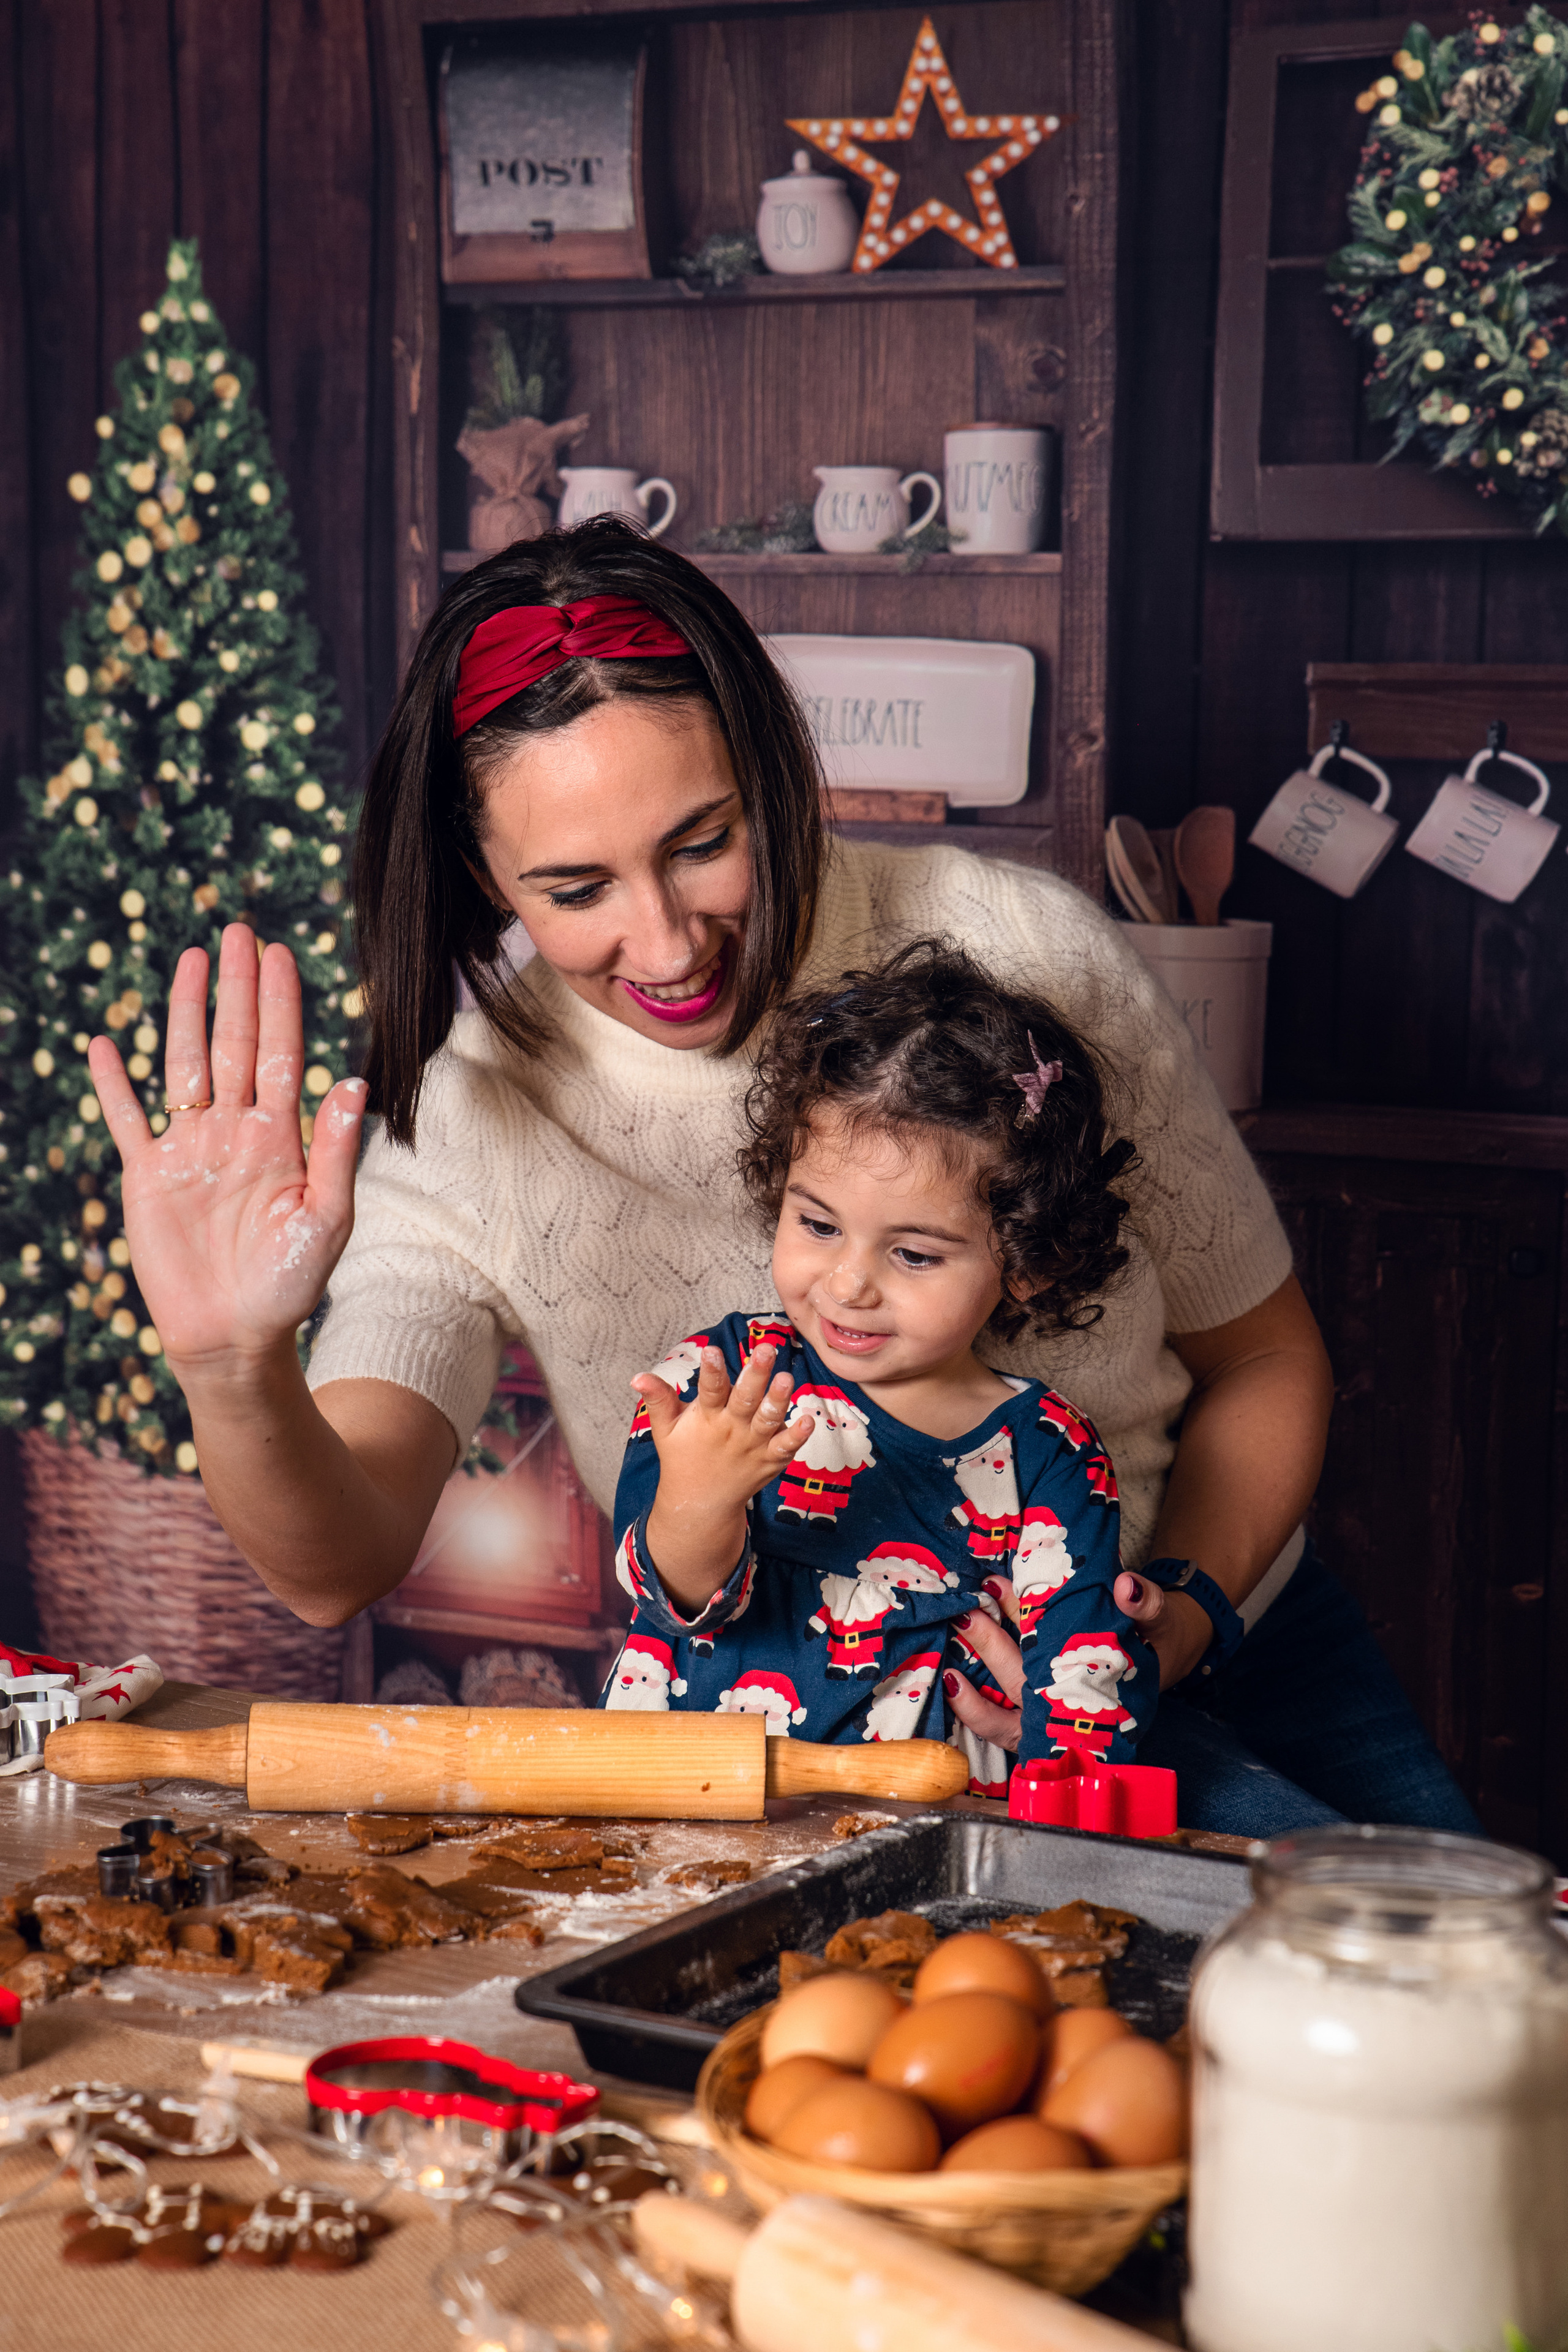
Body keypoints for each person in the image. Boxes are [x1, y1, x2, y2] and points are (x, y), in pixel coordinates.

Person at [87, 519, 1479, 1838]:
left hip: (1221, 1625)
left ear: (769, 765)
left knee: (1491, 2008)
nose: (666, 942)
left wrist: (1171, 1623)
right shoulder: (468, 1117)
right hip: (824, 1727)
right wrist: (229, 1362)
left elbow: (1264, 1359)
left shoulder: (1025, 950)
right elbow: (337, 1561)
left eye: (703, 843)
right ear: (486, 876)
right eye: (575, 891)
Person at [606, 940, 1214, 1795]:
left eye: (916, 1255)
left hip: (930, 1836)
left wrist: (1059, 1762)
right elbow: (670, 1593)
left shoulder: (1047, 1453)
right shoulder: (723, 1379)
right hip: (688, 1808)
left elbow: (1086, 1678)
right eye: (818, 1226)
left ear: (1026, 1261)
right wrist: (699, 1497)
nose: (849, 1284)